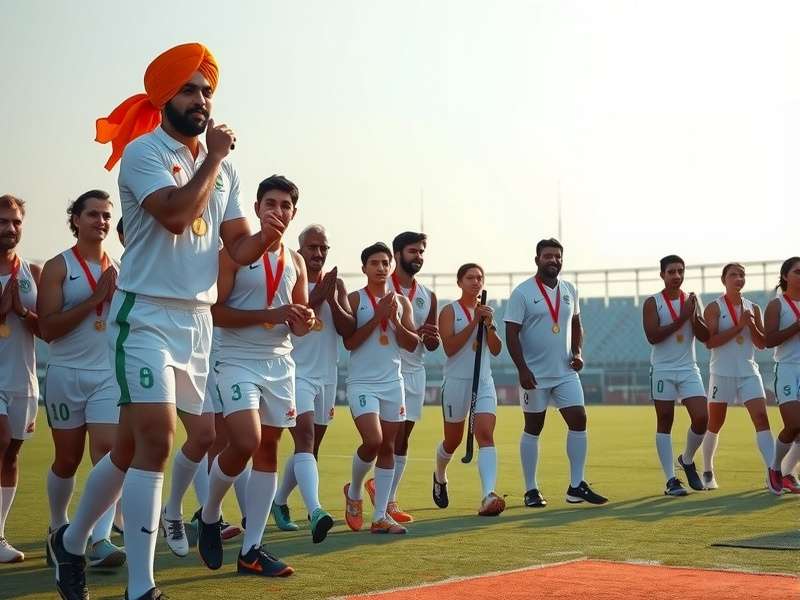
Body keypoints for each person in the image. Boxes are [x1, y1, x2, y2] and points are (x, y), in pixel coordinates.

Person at [49, 43, 286, 600]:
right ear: (164, 98)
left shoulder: (222, 169)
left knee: (150, 446)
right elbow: (178, 216)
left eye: (206, 90)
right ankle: (142, 588)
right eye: (190, 89)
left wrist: (268, 236)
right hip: (147, 313)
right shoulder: (143, 152)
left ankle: (73, 541)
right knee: (156, 441)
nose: (201, 99)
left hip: (197, 322)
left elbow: (237, 246)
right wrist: (213, 159)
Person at [198, 174, 317, 577]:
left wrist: (305, 319)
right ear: (256, 208)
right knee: (244, 440)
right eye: (271, 204)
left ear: (293, 212)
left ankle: (252, 550)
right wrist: (271, 315)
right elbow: (214, 312)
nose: (278, 211)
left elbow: (298, 323)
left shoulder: (296, 261)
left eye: (285, 205)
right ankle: (210, 513)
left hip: (280, 364)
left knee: (268, 451)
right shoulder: (234, 253)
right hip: (235, 358)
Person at [38, 190, 125, 568]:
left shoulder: (120, 266)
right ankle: (59, 529)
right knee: (68, 459)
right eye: (93, 215)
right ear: (75, 219)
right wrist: (92, 300)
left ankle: (101, 539)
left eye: (107, 216)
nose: (102, 222)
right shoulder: (59, 267)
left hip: (106, 375)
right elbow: (47, 329)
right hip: (65, 374)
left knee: (108, 455)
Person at [505, 238, 607, 508]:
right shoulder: (522, 292)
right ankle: (531, 489)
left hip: (564, 371)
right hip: (534, 375)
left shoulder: (569, 289)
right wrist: (522, 369)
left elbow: (576, 323)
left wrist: (577, 352)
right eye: (548, 256)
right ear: (537, 259)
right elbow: (511, 334)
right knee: (533, 427)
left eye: (557, 256)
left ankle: (576, 486)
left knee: (579, 419)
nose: (553, 260)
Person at [272, 224, 355, 531]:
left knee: (310, 448)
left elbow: (349, 331)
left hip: (327, 376)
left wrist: (332, 298)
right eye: (312, 248)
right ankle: (316, 511)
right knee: (304, 440)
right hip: (296, 373)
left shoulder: (338, 286)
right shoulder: (289, 280)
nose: (318, 254)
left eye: (323, 249)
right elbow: (290, 321)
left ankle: (279, 501)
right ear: (300, 249)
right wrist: (317, 296)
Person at [343, 243, 419, 534]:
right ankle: (354, 492)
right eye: (374, 262)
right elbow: (349, 342)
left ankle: (379, 517)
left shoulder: (401, 302)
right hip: (362, 383)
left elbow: (411, 344)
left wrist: (396, 321)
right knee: (372, 440)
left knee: (389, 445)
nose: (381, 267)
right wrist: (377, 318)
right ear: (364, 268)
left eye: (385, 262)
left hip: (392, 382)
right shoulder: (355, 299)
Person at [363, 231, 438, 523]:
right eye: (412, 251)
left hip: (414, 370)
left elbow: (430, 342)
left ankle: (389, 498)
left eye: (421, 252)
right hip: (385, 370)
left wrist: (431, 339)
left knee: (403, 440)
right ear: (396, 255)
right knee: (383, 440)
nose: (417, 256)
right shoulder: (380, 288)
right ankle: (365, 489)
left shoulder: (428, 296)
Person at [432, 263, 505, 516]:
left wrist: (489, 325)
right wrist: (474, 321)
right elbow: (450, 348)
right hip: (456, 383)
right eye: (470, 278)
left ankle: (488, 495)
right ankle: (440, 475)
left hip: (483, 382)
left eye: (480, 278)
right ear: (460, 282)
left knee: (485, 434)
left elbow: (496, 350)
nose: (476, 282)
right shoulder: (449, 311)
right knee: (452, 441)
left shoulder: (487, 314)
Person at [700, 263, 773, 489]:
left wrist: (750, 326)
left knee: (761, 418)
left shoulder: (754, 308)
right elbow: (710, 342)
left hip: (749, 372)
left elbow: (762, 344)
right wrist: (738, 326)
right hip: (721, 373)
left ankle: (773, 472)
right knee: (715, 423)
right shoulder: (714, 308)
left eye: (742, 275)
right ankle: (707, 469)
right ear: (724, 280)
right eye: (733, 275)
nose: (739, 278)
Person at [642, 254, 710, 497]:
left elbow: (705, 337)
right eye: (671, 272)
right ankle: (671, 480)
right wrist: (682, 317)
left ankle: (687, 459)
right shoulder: (653, 302)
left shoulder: (692, 300)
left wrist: (693, 315)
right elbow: (653, 336)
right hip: (662, 369)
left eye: (680, 271)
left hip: (688, 368)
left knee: (702, 418)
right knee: (665, 421)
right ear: (662, 274)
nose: (677, 276)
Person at [0, 194, 40, 564]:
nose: (9, 229)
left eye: (15, 222)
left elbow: (48, 329)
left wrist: (23, 312)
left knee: (11, 454)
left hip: (21, 378)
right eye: (2, 222)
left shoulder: (32, 272)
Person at [764, 257, 800, 495]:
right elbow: (769, 340)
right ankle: (775, 468)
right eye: (798, 271)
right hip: (787, 368)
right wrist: (797, 326)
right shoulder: (777, 305)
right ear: (786, 276)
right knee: (794, 424)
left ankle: (788, 472)